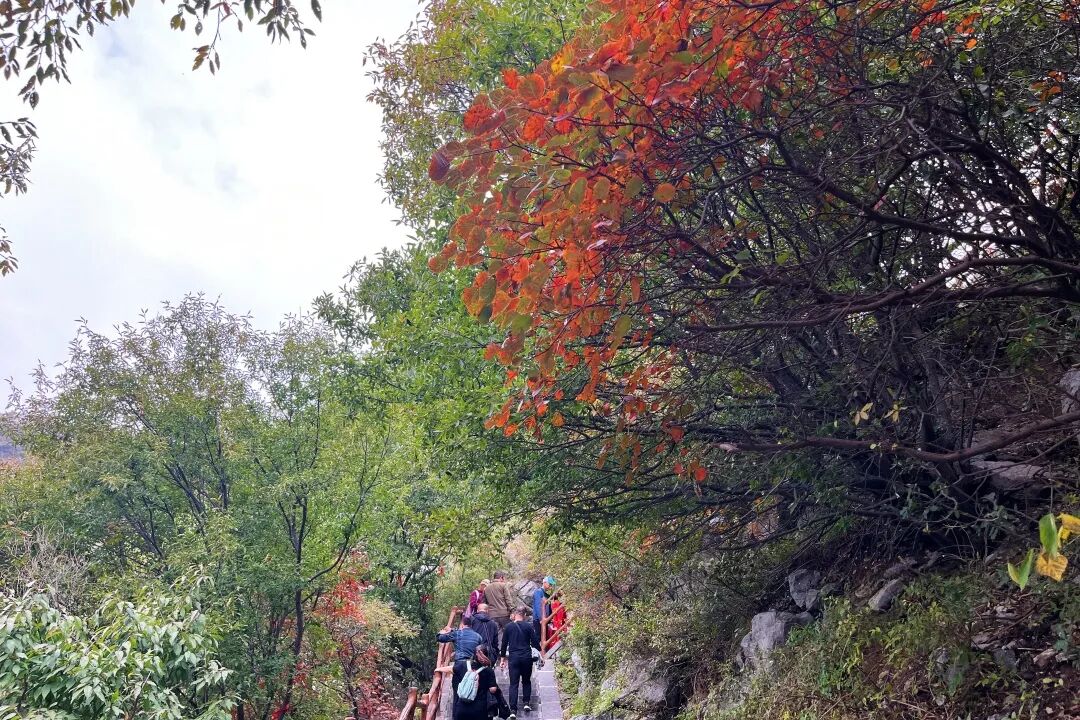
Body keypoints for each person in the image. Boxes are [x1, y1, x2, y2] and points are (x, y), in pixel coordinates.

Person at [500, 607, 537, 718]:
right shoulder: (529, 626)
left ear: (515, 614)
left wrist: (502, 659)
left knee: (513, 684)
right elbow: (535, 642)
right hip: (526, 657)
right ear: (524, 615)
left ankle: (513, 710)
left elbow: (503, 644)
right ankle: (526, 703)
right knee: (526, 681)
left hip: (514, 658)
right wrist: (541, 655)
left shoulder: (508, 627)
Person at [452, 645, 500, 720]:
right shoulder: (489, 671)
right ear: (487, 655)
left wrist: (437, 669)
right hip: (479, 710)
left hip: (461, 708)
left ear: (473, 655)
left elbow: (451, 669)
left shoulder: (463, 665)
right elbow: (492, 689)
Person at [531, 576, 555, 650]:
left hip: (545, 619)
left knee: (545, 636)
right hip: (538, 619)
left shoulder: (546, 594)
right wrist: (541, 618)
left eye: (551, 585)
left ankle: (542, 652)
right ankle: (533, 652)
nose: (550, 586)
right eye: (549, 584)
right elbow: (538, 606)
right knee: (538, 636)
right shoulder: (538, 592)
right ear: (544, 582)